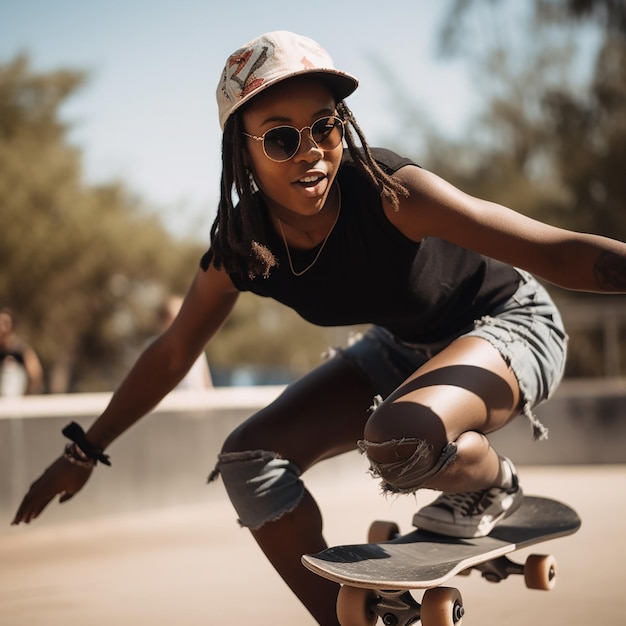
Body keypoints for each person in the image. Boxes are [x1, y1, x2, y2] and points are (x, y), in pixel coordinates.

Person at [12, 31, 626, 625]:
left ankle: (491, 485)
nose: (310, 150)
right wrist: (86, 449)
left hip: (512, 324)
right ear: (241, 150)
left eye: (325, 125)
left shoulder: (392, 192)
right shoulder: (245, 244)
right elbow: (174, 351)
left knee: (397, 436)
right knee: (249, 460)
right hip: (404, 350)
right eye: (280, 138)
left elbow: (554, 252)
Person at [154, 295, 213, 390]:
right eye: (174, 318)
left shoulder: (196, 346)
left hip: (197, 402)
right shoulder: (154, 347)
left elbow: (206, 381)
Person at [0, 307, 44, 396]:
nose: (2, 327)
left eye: (5, 323)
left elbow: (35, 375)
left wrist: (26, 395)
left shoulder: (21, 350)